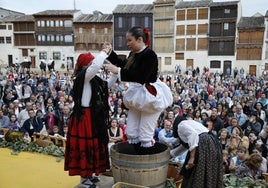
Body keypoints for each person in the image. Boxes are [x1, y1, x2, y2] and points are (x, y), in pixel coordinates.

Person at [104, 26, 173, 153]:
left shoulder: (150, 55)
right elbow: (124, 65)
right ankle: (136, 159)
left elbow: (141, 76)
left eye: (130, 40)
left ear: (139, 39)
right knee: (131, 131)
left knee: (145, 134)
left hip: (149, 96)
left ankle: (145, 164)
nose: (127, 44)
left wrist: (117, 71)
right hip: (136, 95)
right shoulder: (133, 54)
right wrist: (110, 53)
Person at [64, 45, 118, 188]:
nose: (95, 65)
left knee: (92, 146)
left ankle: (90, 174)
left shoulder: (93, 79)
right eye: (91, 62)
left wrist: (116, 73)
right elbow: (95, 67)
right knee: (86, 147)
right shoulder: (84, 76)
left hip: (92, 117)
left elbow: (107, 86)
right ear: (86, 65)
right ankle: (84, 178)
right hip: (84, 117)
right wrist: (104, 52)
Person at [170, 116, 223, 188]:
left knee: (198, 170)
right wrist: (170, 155)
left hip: (204, 143)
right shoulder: (190, 124)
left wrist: (192, 157)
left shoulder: (181, 125)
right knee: (207, 169)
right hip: (211, 143)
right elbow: (185, 146)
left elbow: (193, 135)